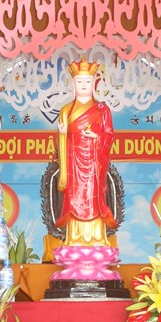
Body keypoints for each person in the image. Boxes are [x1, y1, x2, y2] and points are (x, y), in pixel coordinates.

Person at [55, 56, 117, 246]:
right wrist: (62, 134)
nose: (83, 85)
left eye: (87, 81)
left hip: (94, 165)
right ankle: (74, 239)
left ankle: (97, 238)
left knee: (93, 197)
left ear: (94, 84)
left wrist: (96, 137)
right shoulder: (66, 110)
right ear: (73, 84)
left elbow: (109, 135)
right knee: (75, 197)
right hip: (73, 164)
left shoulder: (102, 109)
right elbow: (60, 143)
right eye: (79, 81)